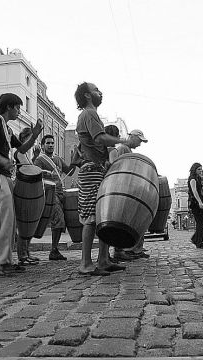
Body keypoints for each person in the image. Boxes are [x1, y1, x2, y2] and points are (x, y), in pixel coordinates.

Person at [0, 93, 43, 276]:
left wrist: (35, 134)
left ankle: (5, 260)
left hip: (3, 175)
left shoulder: (7, 128)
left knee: (9, 217)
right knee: (5, 215)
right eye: (18, 107)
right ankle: (0, 261)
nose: (19, 111)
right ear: (8, 107)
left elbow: (20, 150)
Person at [74, 82, 136, 276]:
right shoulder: (89, 114)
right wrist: (124, 141)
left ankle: (103, 260)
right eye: (95, 90)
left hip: (97, 169)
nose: (100, 92)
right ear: (87, 95)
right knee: (92, 218)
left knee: (103, 216)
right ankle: (85, 263)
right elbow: (100, 139)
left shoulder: (90, 115)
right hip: (91, 170)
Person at [33, 134, 76, 261]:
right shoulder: (40, 160)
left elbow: (69, 172)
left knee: (62, 222)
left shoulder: (58, 159)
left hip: (61, 192)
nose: (51, 145)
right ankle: (53, 250)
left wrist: (73, 159)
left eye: (52, 143)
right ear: (42, 145)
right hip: (49, 194)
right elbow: (34, 172)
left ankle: (55, 249)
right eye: (48, 143)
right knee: (58, 220)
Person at [109, 128, 150, 260]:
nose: (140, 144)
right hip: (124, 191)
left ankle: (135, 249)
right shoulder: (122, 149)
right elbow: (118, 168)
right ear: (132, 137)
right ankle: (126, 250)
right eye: (139, 141)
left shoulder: (128, 150)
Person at [13, 127, 40, 266]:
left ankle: (26, 252)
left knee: (28, 223)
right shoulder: (19, 152)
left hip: (28, 190)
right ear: (23, 139)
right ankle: (22, 255)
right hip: (23, 190)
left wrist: (34, 158)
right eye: (29, 138)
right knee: (23, 223)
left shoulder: (26, 155)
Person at [188, 162, 203, 249]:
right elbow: (194, 191)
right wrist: (199, 202)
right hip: (195, 202)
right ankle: (199, 243)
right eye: (198, 169)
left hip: (201, 199)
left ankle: (195, 238)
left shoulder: (198, 177)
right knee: (200, 223)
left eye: (201, 169)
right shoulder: (192, 179)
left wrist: (202, 170)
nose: (200, 171)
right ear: (194, 170)